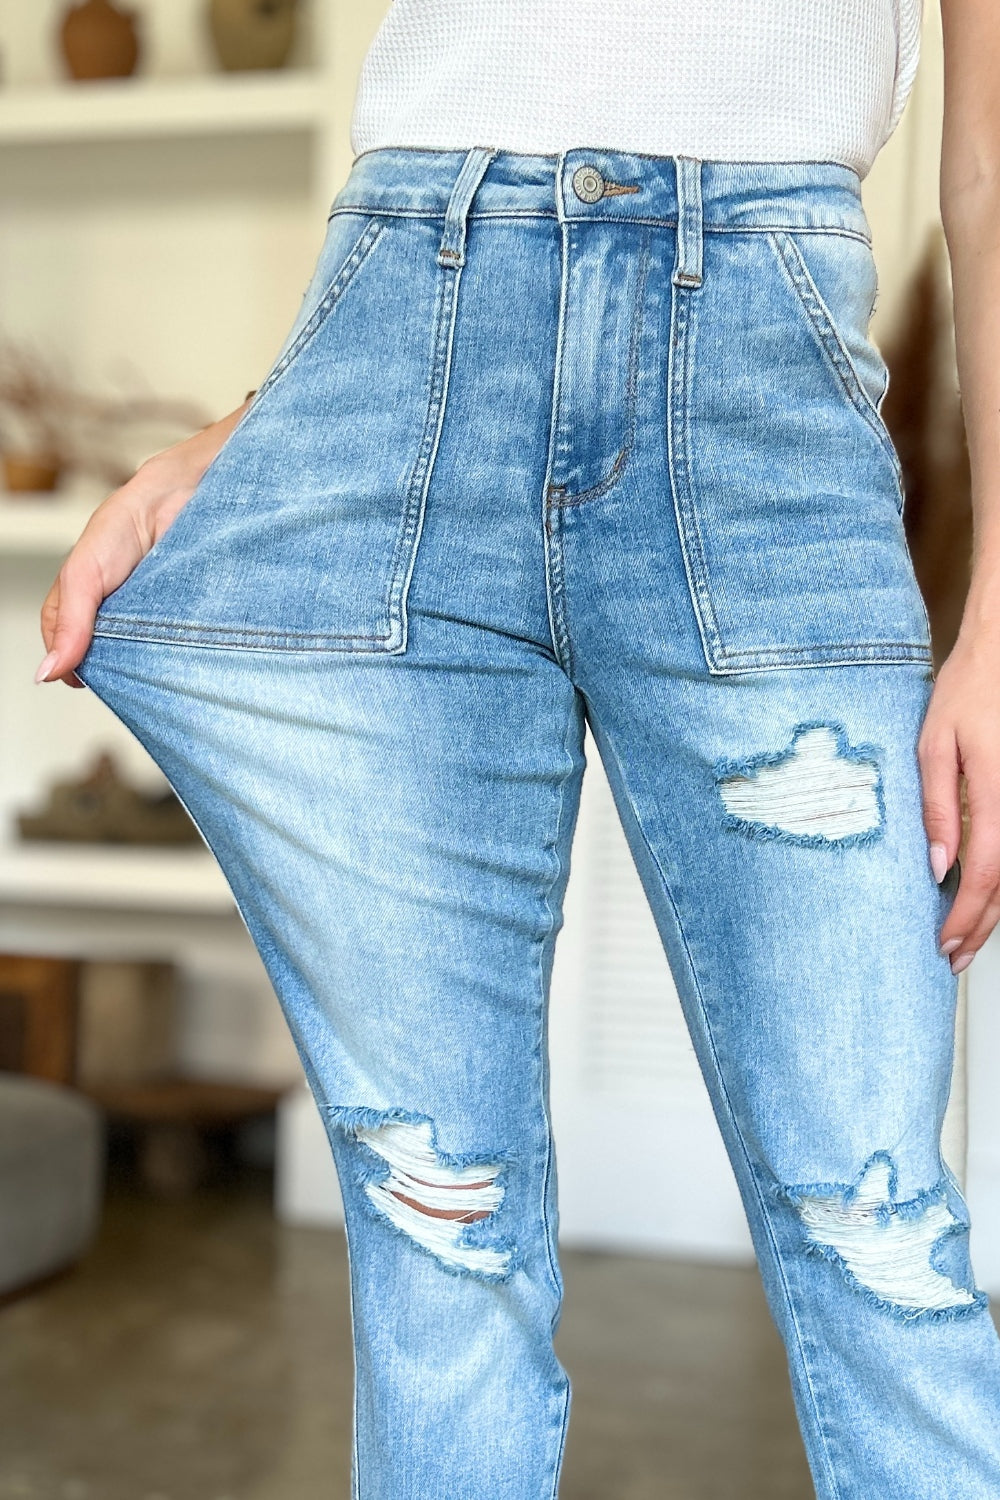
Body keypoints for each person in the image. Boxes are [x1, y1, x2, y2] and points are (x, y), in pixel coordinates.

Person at [34, 1, 1000, 1493]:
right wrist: (246, 441)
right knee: (440, 1234)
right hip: (402, 347)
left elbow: (988, 174)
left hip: (766, 397)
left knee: (881, 1235)